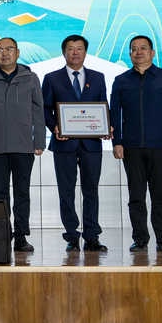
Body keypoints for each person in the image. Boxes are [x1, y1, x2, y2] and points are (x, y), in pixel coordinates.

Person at [110, 35, 162, 253]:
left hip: (160, 147)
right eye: (134, 49)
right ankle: (140, 239)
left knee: (160, 196)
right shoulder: (121, 80)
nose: (138, 52)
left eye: (143, 48)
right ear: (130, 54)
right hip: (131, 148)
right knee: (136, 196)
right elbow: (114, 115)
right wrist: (117, 142)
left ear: (152, 53)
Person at [0, 37, 44, 253]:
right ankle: (2, 235)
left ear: (18, 52)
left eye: (9, 49)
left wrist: (39, 141)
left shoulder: (31, 78)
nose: (4, 53)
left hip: (24, 146)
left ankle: (21, 236)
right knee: (0, 194)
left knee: (22, 193)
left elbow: (38, 112)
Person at [41, 34, 109, 252]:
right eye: (70, 48)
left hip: (92, 144)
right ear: (64, 53)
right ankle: (71, 235)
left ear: (85, 52)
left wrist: (106, 126)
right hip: (64, 144)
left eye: (79, 48)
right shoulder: (52, 78)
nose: (75, 52)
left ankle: (92, 236)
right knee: (66, 192)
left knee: (91, 190)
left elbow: (103, 105)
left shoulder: (98, 77)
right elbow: (45, 108)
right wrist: (54, 127)